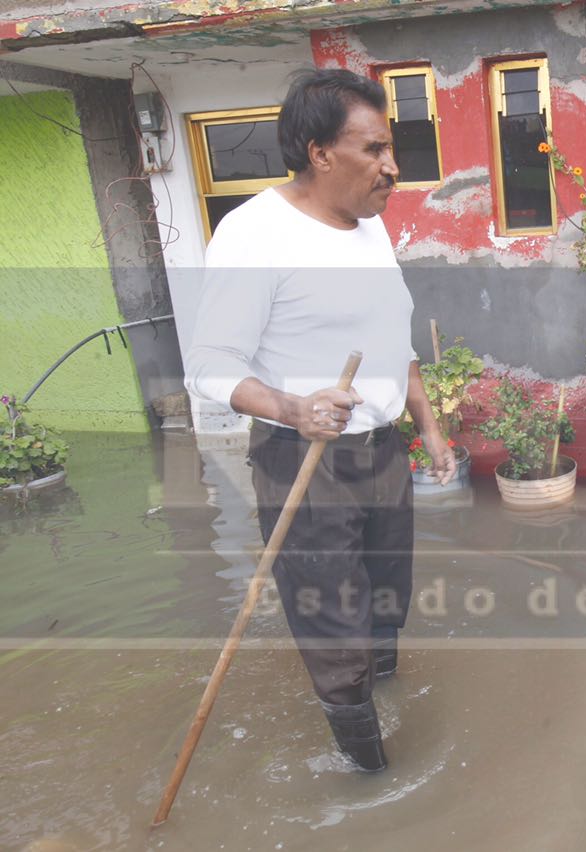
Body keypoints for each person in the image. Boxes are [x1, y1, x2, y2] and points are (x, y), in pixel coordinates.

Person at [183, 68, 455, 772]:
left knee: (386, 594)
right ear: (319, 152)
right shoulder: (255, 235)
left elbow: (392, 337)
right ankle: (374, 783)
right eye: (373, 150)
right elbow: (209, 362)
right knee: (333, 623)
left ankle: (384, 700)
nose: (391, 168)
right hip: (305, 459)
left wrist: (426, 425)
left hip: (381, 452)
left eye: (390, 148)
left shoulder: (369, 229)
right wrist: (291, 407)